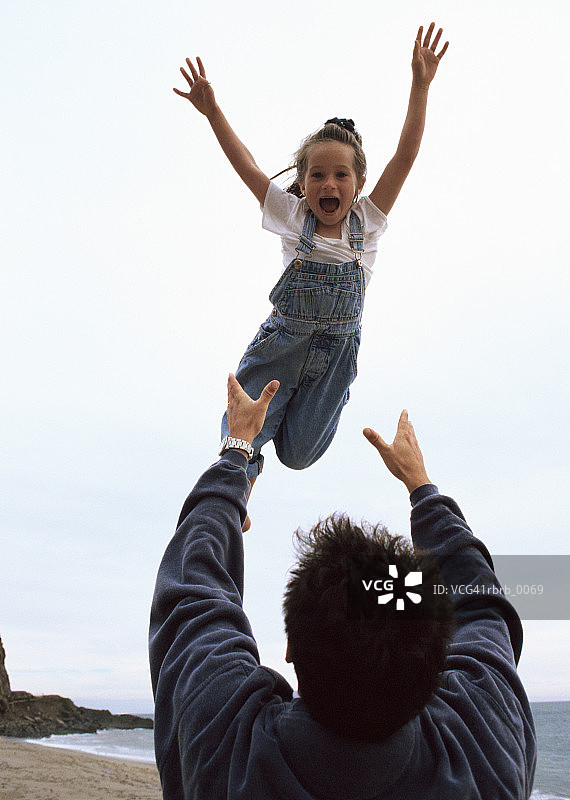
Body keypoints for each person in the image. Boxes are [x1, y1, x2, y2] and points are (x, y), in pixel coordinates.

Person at [149, 376, 537, 799]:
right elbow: (480, 605)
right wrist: (421, 487)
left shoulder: (223, 747)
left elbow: (194, 586)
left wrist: (238, 452)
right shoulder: (485, 756)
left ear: (291, 649)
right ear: (436, 662)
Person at [173, 24, 449, 528]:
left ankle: (285, 439)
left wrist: (421, 84)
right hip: (283, 343)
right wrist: (213, 113)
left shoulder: (369, 221)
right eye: (317, 175)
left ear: (359, 183)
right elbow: (248, 166)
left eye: (341, 174)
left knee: (299, 455)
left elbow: (405, 155)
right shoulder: (291, 218)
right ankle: (242, 483)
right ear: (301, 185)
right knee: (245, 419)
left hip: (335, 358)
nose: (329, 183)